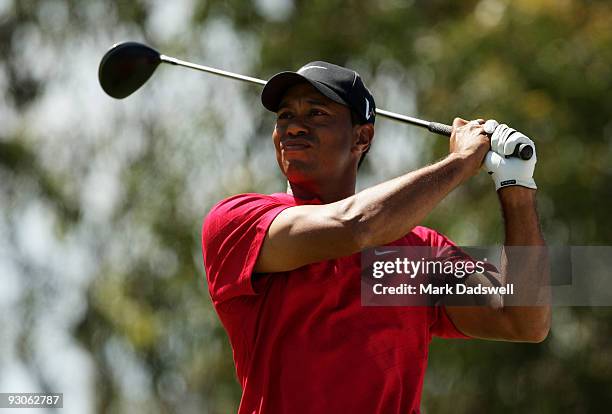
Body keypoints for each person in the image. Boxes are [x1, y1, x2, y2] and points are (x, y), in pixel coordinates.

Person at [201, 61, 551, 413]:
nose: (294, 127)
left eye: (316, 113)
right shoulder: (239, 221)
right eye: (285, 116)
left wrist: (516, 186)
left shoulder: (416, 254)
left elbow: (523, 319)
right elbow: (357, 226)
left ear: (361, 137)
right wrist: (461, 161)